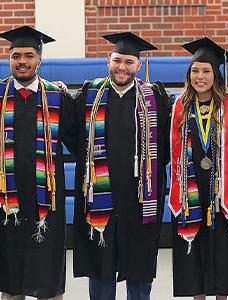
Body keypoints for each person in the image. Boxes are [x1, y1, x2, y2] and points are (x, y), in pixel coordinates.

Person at [68, 32, 170, 300]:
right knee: (101, 263)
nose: (122, 67)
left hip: (139, 199)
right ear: (107, 61)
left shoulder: (155, 98)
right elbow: (70, 136)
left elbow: (168, 145)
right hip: (100, 195)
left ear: (138, 65)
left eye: (128, 62)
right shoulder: (89, 95)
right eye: (117, 61)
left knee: (138, 265)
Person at [0, 25, 75, 300]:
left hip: (45, 200)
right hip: (8, 198)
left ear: (40, 59)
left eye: (28, 55)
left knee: (47, 275)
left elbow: (79, 144)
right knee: (11, 278)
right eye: (16, 56)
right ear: (9, 58)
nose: (22, 61)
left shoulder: (57, 97)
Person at [168, 37, 228, 299]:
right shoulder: (179, 107)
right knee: (194, 254)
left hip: (222, 190)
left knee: (221, 250)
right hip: (191, 189)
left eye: (206, 70)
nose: (200, 76)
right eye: (195, 70)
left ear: (216, 75)